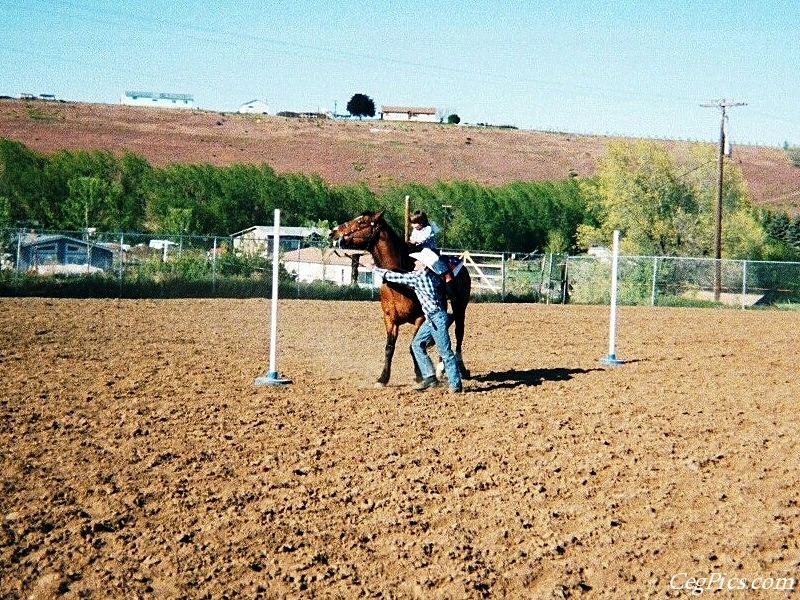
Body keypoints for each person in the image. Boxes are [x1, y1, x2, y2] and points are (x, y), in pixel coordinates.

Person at [373, 247, 463, 393]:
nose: (415, 262)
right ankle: (429, 376)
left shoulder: (419, 277)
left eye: (418, 261)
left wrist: (376, 269)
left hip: (436, 318)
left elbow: (395, 277)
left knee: (445, 351)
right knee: (417, 344)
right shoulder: (433, 276)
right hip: (432, 318)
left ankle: (455, 384)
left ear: (425, 265)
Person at [408, 210, 452, 280]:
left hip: (430, 250)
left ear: (421, 222)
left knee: (437, 264)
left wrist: (414, 241)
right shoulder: (415, 230)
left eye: (414, 223)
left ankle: (444, 277)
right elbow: (412, 237)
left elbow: (422, 239)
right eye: (412, 223)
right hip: (420, 251)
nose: (412, 225)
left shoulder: (428, 228)